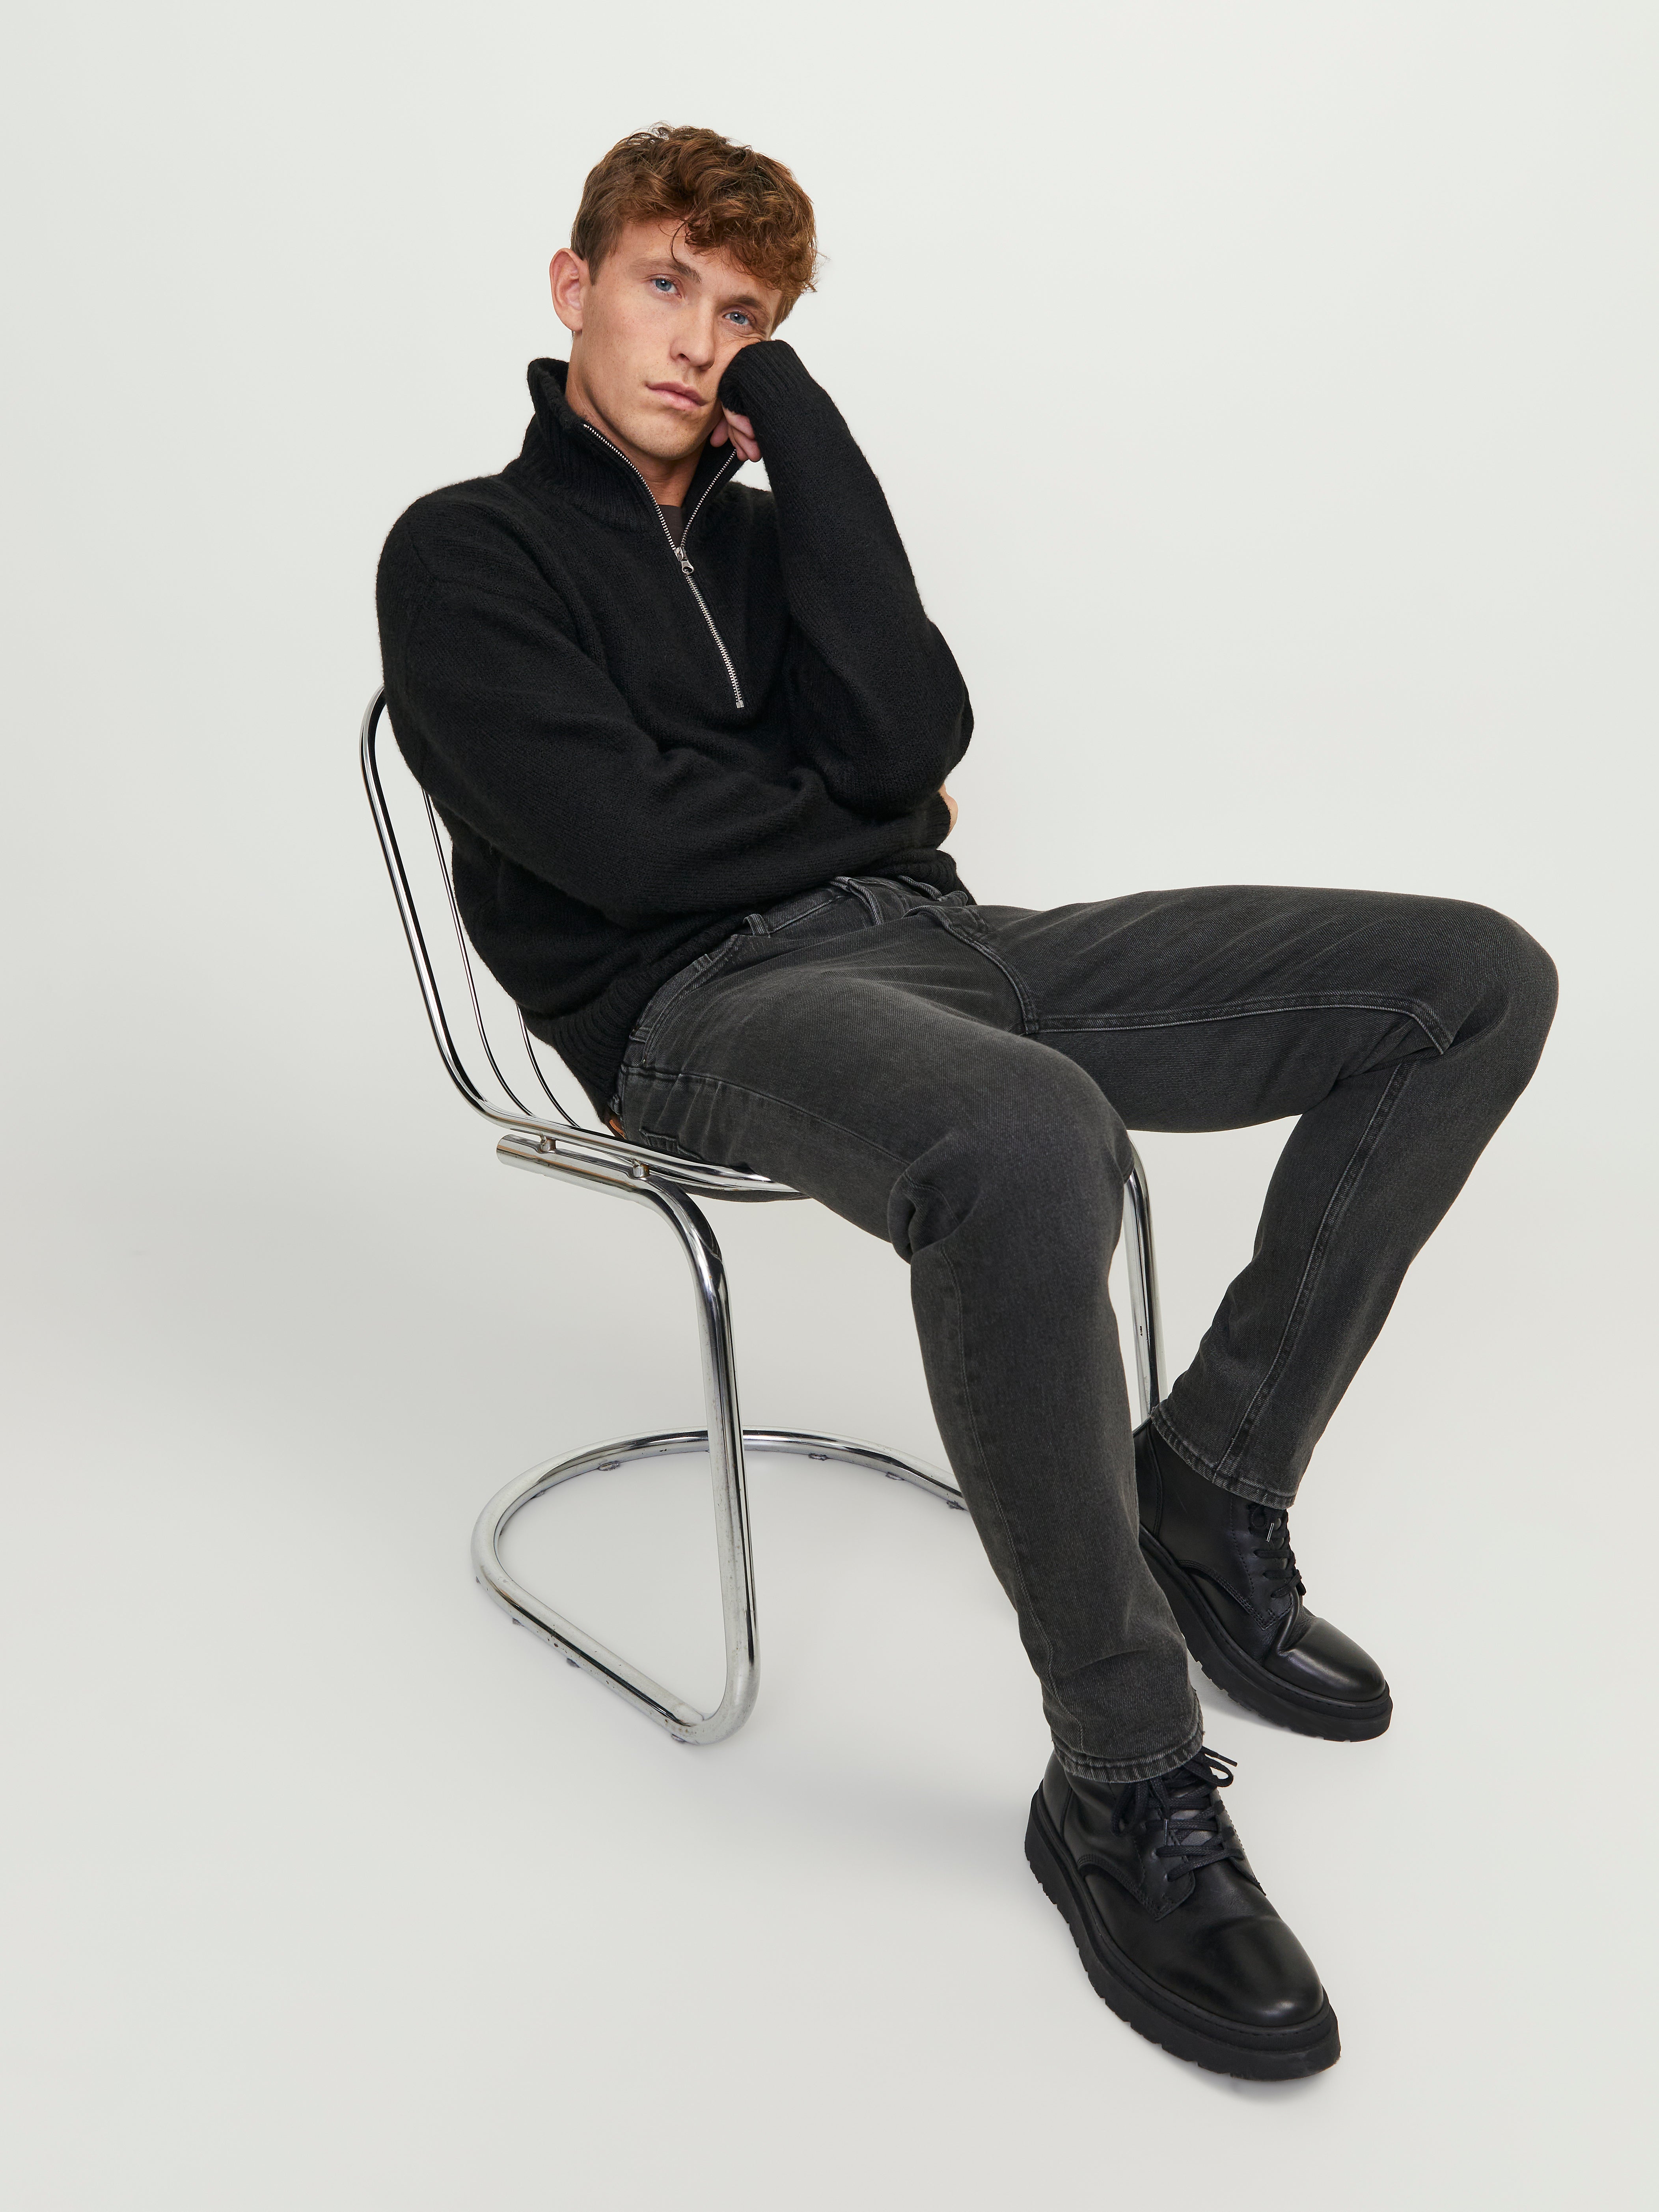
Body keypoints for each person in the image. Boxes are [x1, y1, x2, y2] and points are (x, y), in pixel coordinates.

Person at [376, 124, 1556, 2081]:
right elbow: (618, 850)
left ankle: (1206, 1488)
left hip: (951, 942)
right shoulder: (461, 553)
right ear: (572, 285)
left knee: (1470, 979)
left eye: (745, 317)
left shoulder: (773, 533)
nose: (697, 340)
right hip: (702, 1005)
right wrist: (857, 818)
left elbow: (918, 736)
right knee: (1023, 1130)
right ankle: (1119, 1778)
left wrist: (803, 436)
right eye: (664, 285)